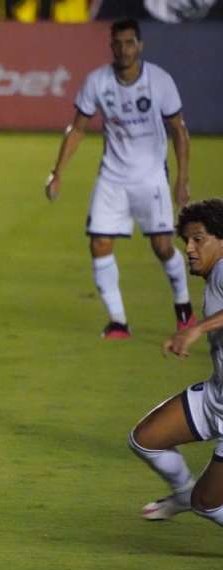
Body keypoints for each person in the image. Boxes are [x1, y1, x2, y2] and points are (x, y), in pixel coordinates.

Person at [45, 18, 193, 340]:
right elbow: (78, 129)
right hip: (112, 177)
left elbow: (178, 131)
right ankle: (118, 322)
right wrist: (57, 173)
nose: (124, 49)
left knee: (163, 247)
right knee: (99, 243)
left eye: (130, 43)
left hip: (151, 177)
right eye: (118, 43)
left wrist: (182, 178)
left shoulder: (159, 81)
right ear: (111, 46)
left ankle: (183, 305)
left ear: (139, 46)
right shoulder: (97, 82)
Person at [129, 198, 223, 527]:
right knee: (145, 439)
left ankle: (192, 497)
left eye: (199, 239)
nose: (190, 249)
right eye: (186, 241)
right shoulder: (215, 277)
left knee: (208, 505)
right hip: (217, 395)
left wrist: (196, 328)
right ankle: (183, 491)